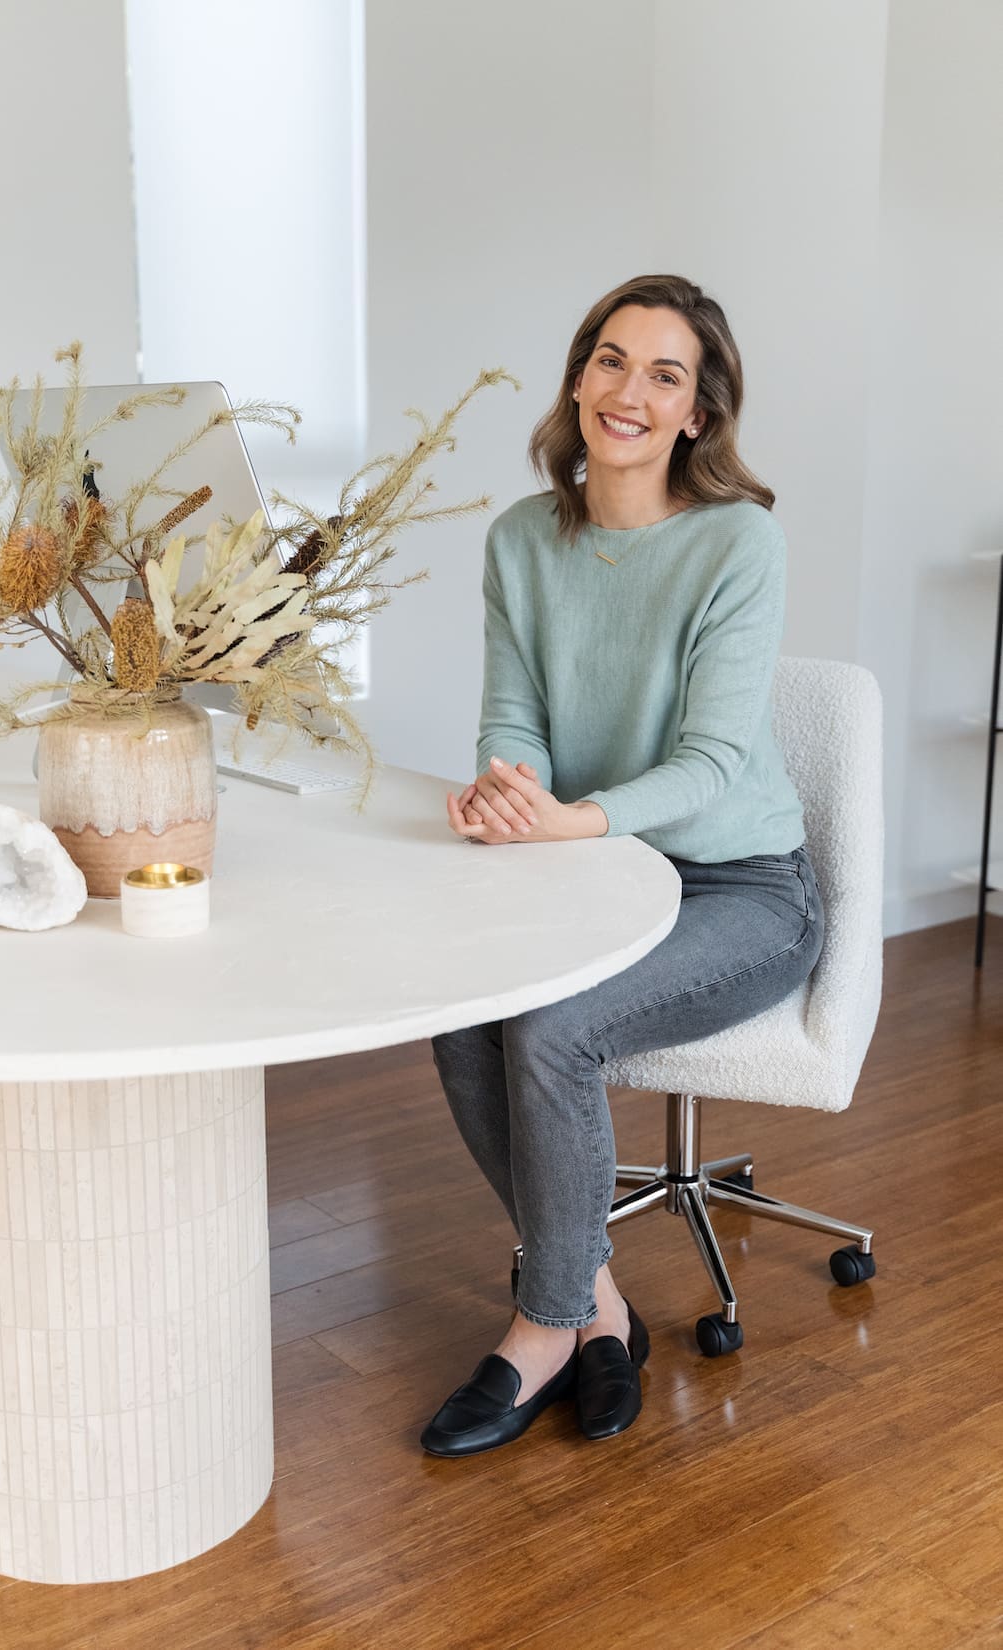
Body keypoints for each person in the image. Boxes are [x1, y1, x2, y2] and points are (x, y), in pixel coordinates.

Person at [422, 274, 824, 1459]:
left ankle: (542, 1327)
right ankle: (598, 1304)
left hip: (740, 887)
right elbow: (514, 718)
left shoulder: (735, 542)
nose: (629, 391)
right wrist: (508, 793)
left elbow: (708, 766)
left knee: (548, 1030)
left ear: (698, 413)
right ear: (577, 379)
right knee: (463, 1014)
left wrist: (572, 820)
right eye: (609, 360)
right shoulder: (520, 539)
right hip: (593, 870)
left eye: (664, 374)